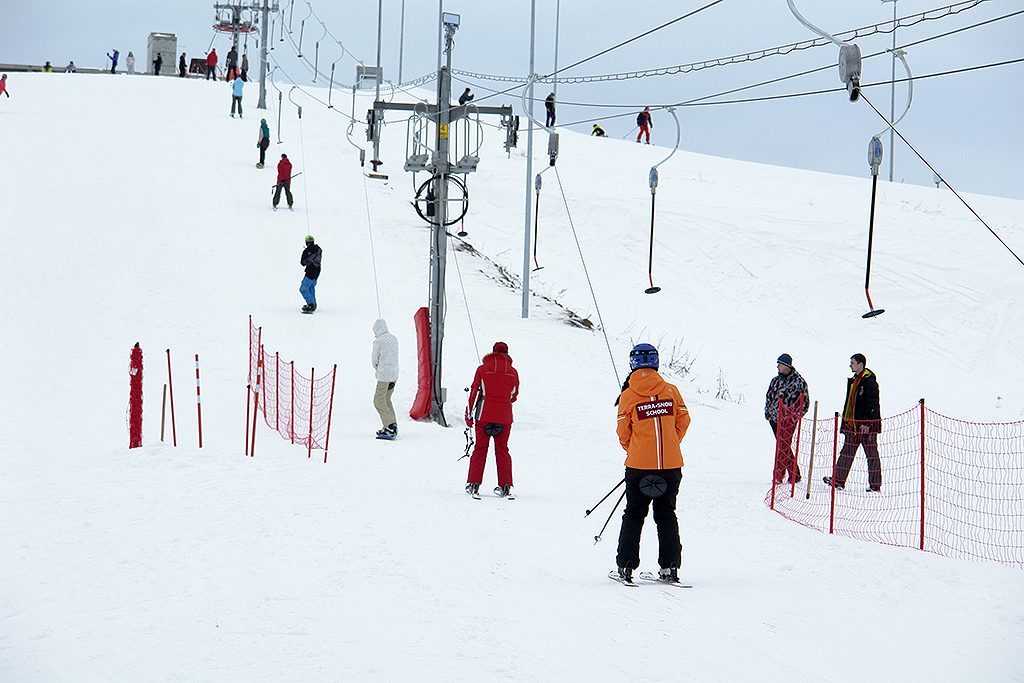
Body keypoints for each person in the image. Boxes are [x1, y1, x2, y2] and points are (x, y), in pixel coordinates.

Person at [614, 343, 691, 585]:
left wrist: (636, 449)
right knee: (666, 514)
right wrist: (670, 443)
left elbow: (622, 432)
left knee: (634, 514)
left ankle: (626, 566)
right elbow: (684, 420)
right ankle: (670, 567)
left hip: (638, 466)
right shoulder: (671, 390)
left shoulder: (627, 396)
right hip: (671, 466)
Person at [465, 341, 520, 500]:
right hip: (505, 416)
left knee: (480, 449)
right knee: (502, 449)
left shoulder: (482, 369)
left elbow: (474, 391)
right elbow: (514, 395)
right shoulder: (513, 372)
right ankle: (505, 486)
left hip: (484, 415)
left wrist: (469, 414)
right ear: (507, 354)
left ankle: (474, 483)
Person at [824, 353, 882, 492]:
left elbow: (873, 404)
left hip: (866, 426)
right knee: (847, 452)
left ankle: (875, 485)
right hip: (853, 425)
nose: (850, 365)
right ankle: (838, 480)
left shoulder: (869, 381)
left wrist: (867, 423)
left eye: (853, 362)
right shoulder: (855, 380)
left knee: (871, 455)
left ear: (860, 364)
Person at [764, 353, 809, 485]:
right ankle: (795, 475)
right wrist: (768, 413)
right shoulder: (775, 380)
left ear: (786, 366)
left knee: (782, 446)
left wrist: (793, 417)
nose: (777, 366)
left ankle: (779, 475)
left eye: (780, 364)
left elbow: (804, 403)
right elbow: (769, 396)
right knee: (784, 445)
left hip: (788, 421)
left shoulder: (799, 382)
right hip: (774, 418)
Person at [371, 319, 399, 440]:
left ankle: (389, 427)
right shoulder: (393, 338)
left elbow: (374, 359)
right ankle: (392, 425)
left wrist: (376, 368)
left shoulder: (379, 341)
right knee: (387, 400)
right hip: (394, 375)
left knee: (378, 401)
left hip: (384, 376)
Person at [298, 235, 322, 313]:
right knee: (311, 288)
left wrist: (306, 255)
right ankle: (313, 304)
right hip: (317, 272)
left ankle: (310, 304)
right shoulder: (318, 249)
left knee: (303, 289)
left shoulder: (307, 250)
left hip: (310, 272)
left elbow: (303, 262)